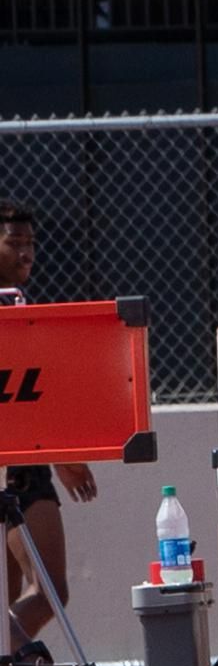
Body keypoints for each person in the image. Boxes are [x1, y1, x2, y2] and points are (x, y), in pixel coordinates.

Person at [0, 202, 98, 641]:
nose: (26, 253)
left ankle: (14, 661)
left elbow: (38, 388)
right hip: (16, 461)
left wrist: (62, 454)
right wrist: (61, 455)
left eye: (31, 243)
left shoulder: (20, 303)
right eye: (14, 243)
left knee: (34, 595)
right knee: (39, 591)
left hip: (27, 463)